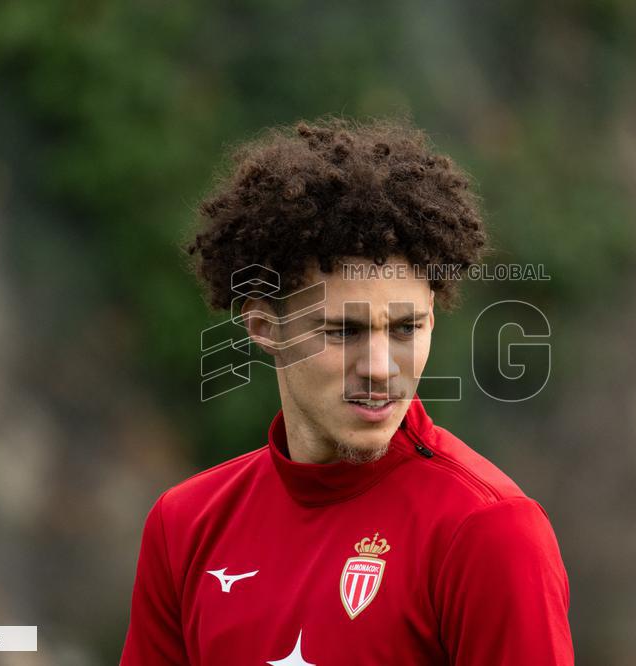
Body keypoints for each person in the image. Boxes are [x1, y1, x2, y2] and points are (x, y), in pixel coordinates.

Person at [120, 117, 573, 665]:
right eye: (343, 331)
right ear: (265, 327)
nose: (381, 368)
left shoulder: (490, 532)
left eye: (406, 328)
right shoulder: (183, 525)